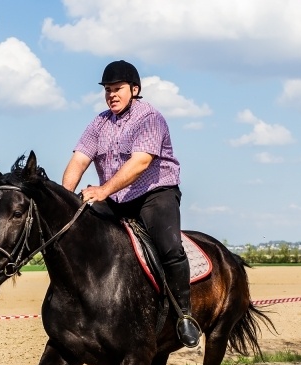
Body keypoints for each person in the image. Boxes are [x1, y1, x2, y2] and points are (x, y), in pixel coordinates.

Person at [62, 59, 201, 348]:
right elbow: (79, 160)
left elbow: (140, 163)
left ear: (134, 89)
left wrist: (102, 189)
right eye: (107, 90)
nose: (111, 94)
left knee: (169, 247)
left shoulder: (149, 118)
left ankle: (184, 316)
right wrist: (64, 200)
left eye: (118, 89)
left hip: (154, 192)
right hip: (114, 197)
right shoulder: (98, 123)